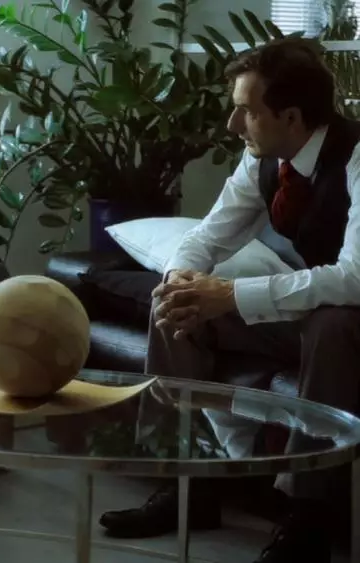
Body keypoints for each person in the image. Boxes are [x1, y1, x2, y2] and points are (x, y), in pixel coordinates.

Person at [98, 38, 360, 563]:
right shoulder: (263, 159)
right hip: (310, 307)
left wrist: (232, 295)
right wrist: (181, 279)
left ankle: (309, 518)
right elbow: (207, 236)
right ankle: (188, 483)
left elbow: (355, 279)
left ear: (290, 116)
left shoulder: (356, 156)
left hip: (347, 314)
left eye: (246, 110)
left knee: (333, 324)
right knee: (178, 305)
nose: (232, 124)